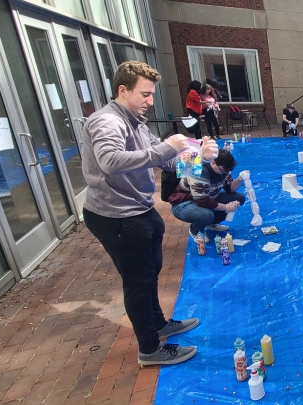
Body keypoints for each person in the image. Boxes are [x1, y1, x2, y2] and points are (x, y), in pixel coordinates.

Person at [80, 60, 218, 366]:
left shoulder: (136, 122)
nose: (150, 101)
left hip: (139, 209)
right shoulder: (106, 122)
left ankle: (158, 323)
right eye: (144, 94)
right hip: (116, 216)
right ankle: (149, 349)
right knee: (138, 281)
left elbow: (166, 162)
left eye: (151, 94)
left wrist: (199, 156)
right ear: (122, 90)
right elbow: (110, 161)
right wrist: (166, 148)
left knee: (151, 269)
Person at [168, 149, 246, 239]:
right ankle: (196, 231)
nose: (224, 173)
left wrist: (240, 178)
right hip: (184, 203)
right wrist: (226, 207)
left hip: (206, 198)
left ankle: (212, 223)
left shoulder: (223, 169)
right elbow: (202, 201)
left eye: (226, 171)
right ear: (213, 162)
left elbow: (230, 189)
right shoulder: (199, 172)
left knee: (238, 198)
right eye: (222, 170)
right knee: (206, 214)